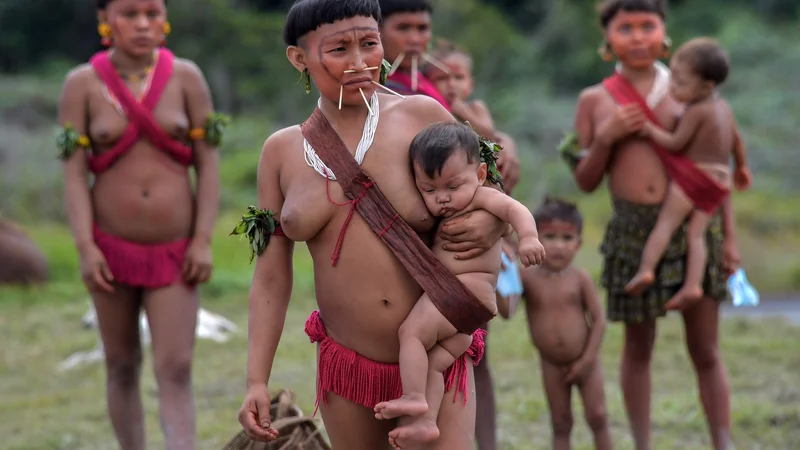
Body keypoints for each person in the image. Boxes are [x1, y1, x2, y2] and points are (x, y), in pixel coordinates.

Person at [235, 1, 510, 449]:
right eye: (340, 48)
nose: (361, 61)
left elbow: (492, 193)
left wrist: (490, 229)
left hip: (435, 360)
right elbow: (270, 274)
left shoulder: (421, 116)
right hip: (348, 370)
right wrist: (255, 381)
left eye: (369, 43)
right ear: (299, 58)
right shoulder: (280, 152)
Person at [569, 1, 738, 449]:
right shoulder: (594, 99)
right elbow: (585, 181)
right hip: (632, 230)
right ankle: (643, 443)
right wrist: (606, 138)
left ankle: (723, 440)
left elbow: (716, 172)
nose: (639, 36)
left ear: (665, 34)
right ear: (607, 40)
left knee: (705, 348)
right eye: (626, 27)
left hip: (693, 227)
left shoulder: (690, 92)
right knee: (638, 348)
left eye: (648, 25)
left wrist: (731, 240)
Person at [57, 0, 223, 448]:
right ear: (104, 19)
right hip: (109, 248)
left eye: (152, 12)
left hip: (175, 251)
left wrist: (202, 240)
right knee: (121, 363)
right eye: (129, 14)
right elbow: (74, 173)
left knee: (176, 366)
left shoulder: (187, 78)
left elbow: (208, 165)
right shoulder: (82, 85)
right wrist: (85, 247)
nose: (143, 24)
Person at [373, 122, 545, 449]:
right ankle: (425, 423)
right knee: (436, 363)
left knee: (411, 334)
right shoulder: (459, 196)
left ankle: (412, 397)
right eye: (429, 190)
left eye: (453, 186)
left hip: (460, 293)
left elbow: (514, 209)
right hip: (470, 313)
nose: (443, 199)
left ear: (480, 174)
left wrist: (529, 238)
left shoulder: (483, 197)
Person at [419, 39, 524, 450]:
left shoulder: (473, 114)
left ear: (472, 79)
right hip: (435, 250)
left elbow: (500, 167)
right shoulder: (422, 115)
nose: (450, 84)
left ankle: (486, 441)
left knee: (476, 349)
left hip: (475, 250)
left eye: (457, 76)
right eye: (440, 77)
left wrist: (468, 117)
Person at [625, 38, 751, 311]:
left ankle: (646, 269)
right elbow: (737, 142)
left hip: (695, 178)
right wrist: (741, 167)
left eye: (679, 83)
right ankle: (693, 285)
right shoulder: (725, 109)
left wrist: (649, 129)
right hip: (719, 181)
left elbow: (674, 143)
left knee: (666, 225)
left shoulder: (698, 111)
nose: (672, 88)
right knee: (696, 235)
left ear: (706, 87)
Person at [520, 198, 611, 450]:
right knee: (560, 422)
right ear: (534, 238)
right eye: (550, 236)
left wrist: (587, 360)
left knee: (598, 416)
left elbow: (599, 319)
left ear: (579, 244)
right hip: (551, 364)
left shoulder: (579, 279)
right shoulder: (528, 278)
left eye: (567, 238)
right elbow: (507, 306)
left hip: (585, 361)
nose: (559, 246)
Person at [378, 0, 451, 109]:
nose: (414, 39)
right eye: (403, 28)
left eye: (422, 28)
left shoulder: (432, 80)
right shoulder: (375, 90)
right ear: (378, 31)